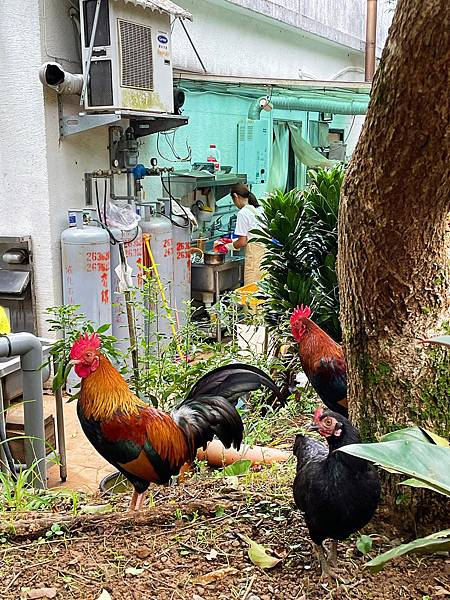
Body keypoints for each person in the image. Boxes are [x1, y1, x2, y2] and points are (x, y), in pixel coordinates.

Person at [214, 183, 266, 284]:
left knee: (251, 292)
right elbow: (251, 236)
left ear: (236, 196)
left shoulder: (243, 213)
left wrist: (227, 246)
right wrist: (231, 241)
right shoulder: (260, 209)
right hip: (265, 258)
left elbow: (242, 242)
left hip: (254, 260)